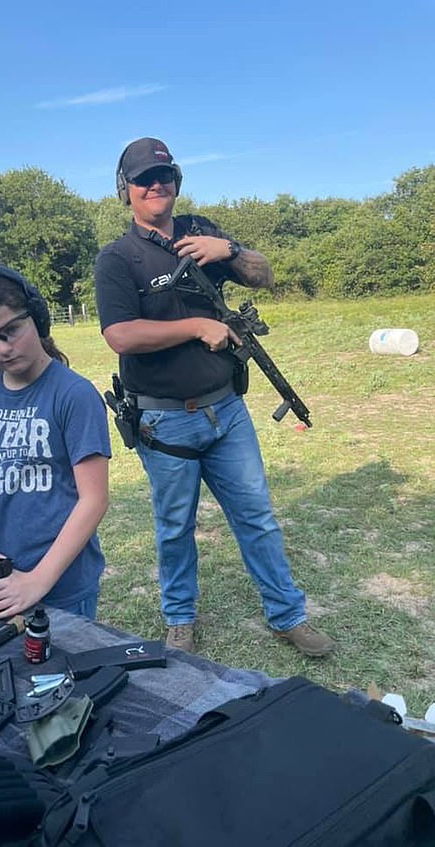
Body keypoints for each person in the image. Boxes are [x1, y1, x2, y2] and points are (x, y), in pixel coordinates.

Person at [94, 137, 336, 656]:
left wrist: (229, 251)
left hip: (226, 409)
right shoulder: (117, 258)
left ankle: (288, 616)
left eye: (165, 176)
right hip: (163, 422)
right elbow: (120, 336)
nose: (156, 185)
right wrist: (196, 325)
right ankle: (180, 619)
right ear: (126, 190)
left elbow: (265, 276)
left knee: (257, 518)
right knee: (175, 527)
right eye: (144, 179)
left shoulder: (203, 233)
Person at [0, 262, 111, 620]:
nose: (3, 348)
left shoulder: (73, 395)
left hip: (61, 586)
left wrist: (38, 580)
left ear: (36, 317)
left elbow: (94, 498)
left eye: (12, 330)